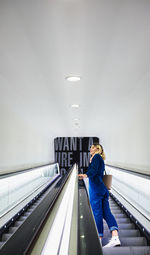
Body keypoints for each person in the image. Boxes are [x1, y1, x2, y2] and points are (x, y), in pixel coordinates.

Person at [78, 143, 121, 248]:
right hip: (103, 188)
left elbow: (93, 171)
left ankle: (99, 239)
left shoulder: (96, 157)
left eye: (92, 147)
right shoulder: (99, 158)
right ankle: (115, 237)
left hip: (96, 189)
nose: (90, 149)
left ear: (97, 149)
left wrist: (85, 175)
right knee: (106, 212)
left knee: (97, 213)